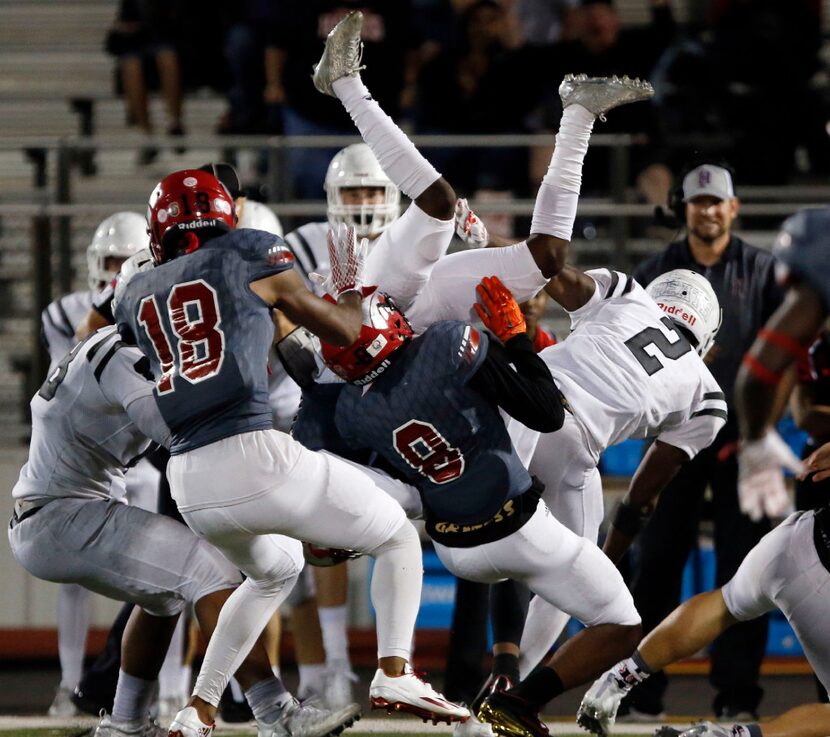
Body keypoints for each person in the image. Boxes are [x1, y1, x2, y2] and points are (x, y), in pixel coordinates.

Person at [113, 168, 470, 737]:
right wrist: (351, 289)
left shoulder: (132, 293)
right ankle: (394, 670)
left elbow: (217, 323)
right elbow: (348, 332)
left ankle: (199, 710)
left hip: (187, 479)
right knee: (397, 534)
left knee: (274, 571)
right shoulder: (251, 251)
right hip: (252, 453)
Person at [12, 254, 350, 737]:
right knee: (210, 573)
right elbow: (180, 434)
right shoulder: (122, 356)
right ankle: (276, 711)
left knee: (164, 595)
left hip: (64, 508)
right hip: (62, 513)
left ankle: (125, 723)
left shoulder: (116, 348)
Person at [576, 207, 830, 737]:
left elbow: (759, 378)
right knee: (677, 567)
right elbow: (764, 382)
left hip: (800, 544)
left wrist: (759, 437)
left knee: (730, 596)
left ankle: (629, 681)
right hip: (798, 525)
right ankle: (732, 730)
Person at [622, 162, 785, 721]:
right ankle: (640, 696)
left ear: (734, 207)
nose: (708, 210)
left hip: (741, 440)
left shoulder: (764, 270)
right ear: (684, 208)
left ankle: (737, 698)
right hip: (675, 436)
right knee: (657, 562)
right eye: (698, 202)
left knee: (746, 574)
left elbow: (782, 363)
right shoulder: (654, 271)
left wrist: (763, 435)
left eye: (717, 202)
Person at [39, 212, 156, 717]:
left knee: (165, 580)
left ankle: (167, 686)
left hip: (140, 452)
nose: (112, 276)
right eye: (108, 263)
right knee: (73, 577)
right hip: (85, 450)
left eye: (121, 264)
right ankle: (70, 684)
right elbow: (66, 382)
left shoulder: (157, 307)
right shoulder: (65, 314)